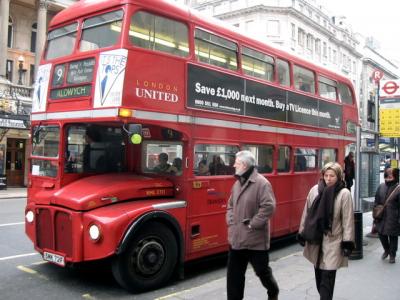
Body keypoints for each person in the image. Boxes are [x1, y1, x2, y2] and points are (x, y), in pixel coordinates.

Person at [226, 150, 279, 300]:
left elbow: (269, 207)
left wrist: (252, 224)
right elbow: (230, 205)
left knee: (262, 272)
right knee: (234, 277)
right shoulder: (237, 183)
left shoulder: (262, 183)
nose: (233, 165)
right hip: (236, 240)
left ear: (243, 164)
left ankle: (273, 290)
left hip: (255, 240)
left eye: (236, 162)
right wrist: (230, 220)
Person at [297, 162, 354, 300]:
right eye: (326, 175)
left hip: (333, 240)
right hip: (316, 239)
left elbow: (347, 220)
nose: (328, 179)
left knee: (327, 279)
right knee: (319, 278)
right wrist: (302, 232)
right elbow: (307, 212)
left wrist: (347, 242)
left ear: (339, 177)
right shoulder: (315, 190)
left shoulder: (344, 193)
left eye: (332, 176)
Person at [374, 167, 400, 264]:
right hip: (381, 216)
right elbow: (376, 200)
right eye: (387, 175)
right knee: (381, 234)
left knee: (393, 236)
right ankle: (387, 250)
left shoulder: (398, 188)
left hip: (393, 217)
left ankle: (392, 254)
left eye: (391, 175)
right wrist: (375, 213)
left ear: (395, 176)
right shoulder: (381, 186)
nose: (388, 177)